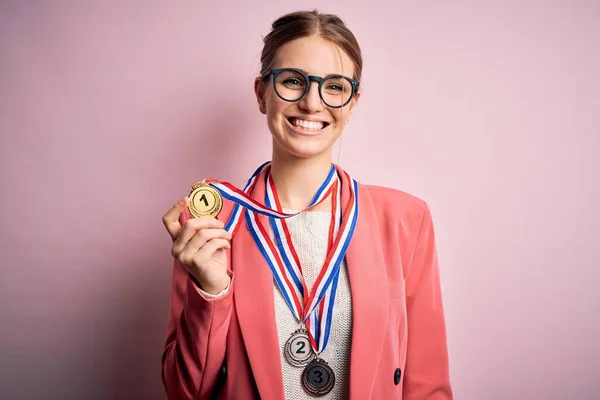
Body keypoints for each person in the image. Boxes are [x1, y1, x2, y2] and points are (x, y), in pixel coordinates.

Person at [160, 9, 453, 400]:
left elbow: (427, 386)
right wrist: (210, 292)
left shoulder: (405, 220)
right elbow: (185, 393)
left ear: (353, 102)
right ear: (262, 93)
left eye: (334, 87)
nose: (312, 103)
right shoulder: (212, 222)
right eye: (293, 81)